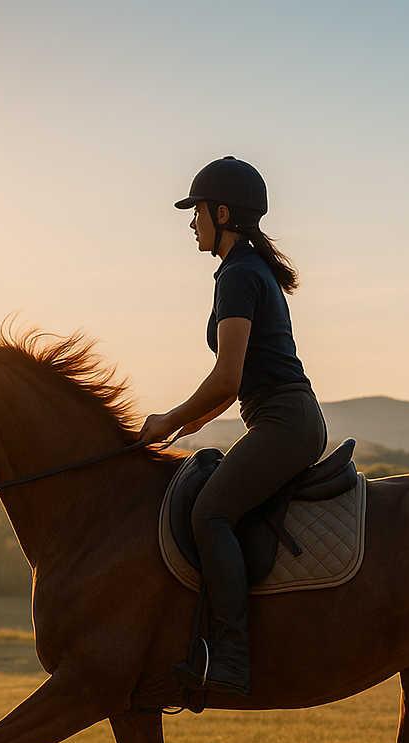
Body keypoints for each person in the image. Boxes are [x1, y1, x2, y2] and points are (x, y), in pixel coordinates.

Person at [139, 156, 328, 694]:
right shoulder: (243, 268)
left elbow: (227, 379)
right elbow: (227, 392)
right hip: (281, 419)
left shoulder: (239, 274)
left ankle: (231, 658)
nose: (191, 223)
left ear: (222, 213)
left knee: (210, 513)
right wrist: (183, 428)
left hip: (284, 423)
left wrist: (169, 419)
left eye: (196, 211)